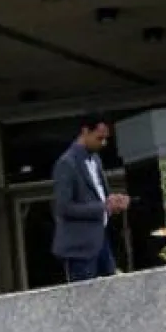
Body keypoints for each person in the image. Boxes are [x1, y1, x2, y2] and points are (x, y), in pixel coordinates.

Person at [51, 113, 130, 283]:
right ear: (85, 131)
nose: (103, 143)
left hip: (100, 239)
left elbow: (100, 195)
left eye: (106, 139)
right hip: (79, 246)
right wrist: (103, 207)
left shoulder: (96, 160)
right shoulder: (67, 163)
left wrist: (114, 201)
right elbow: (64, 207)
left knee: (112, 287)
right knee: (85, 293)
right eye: (99, 138)